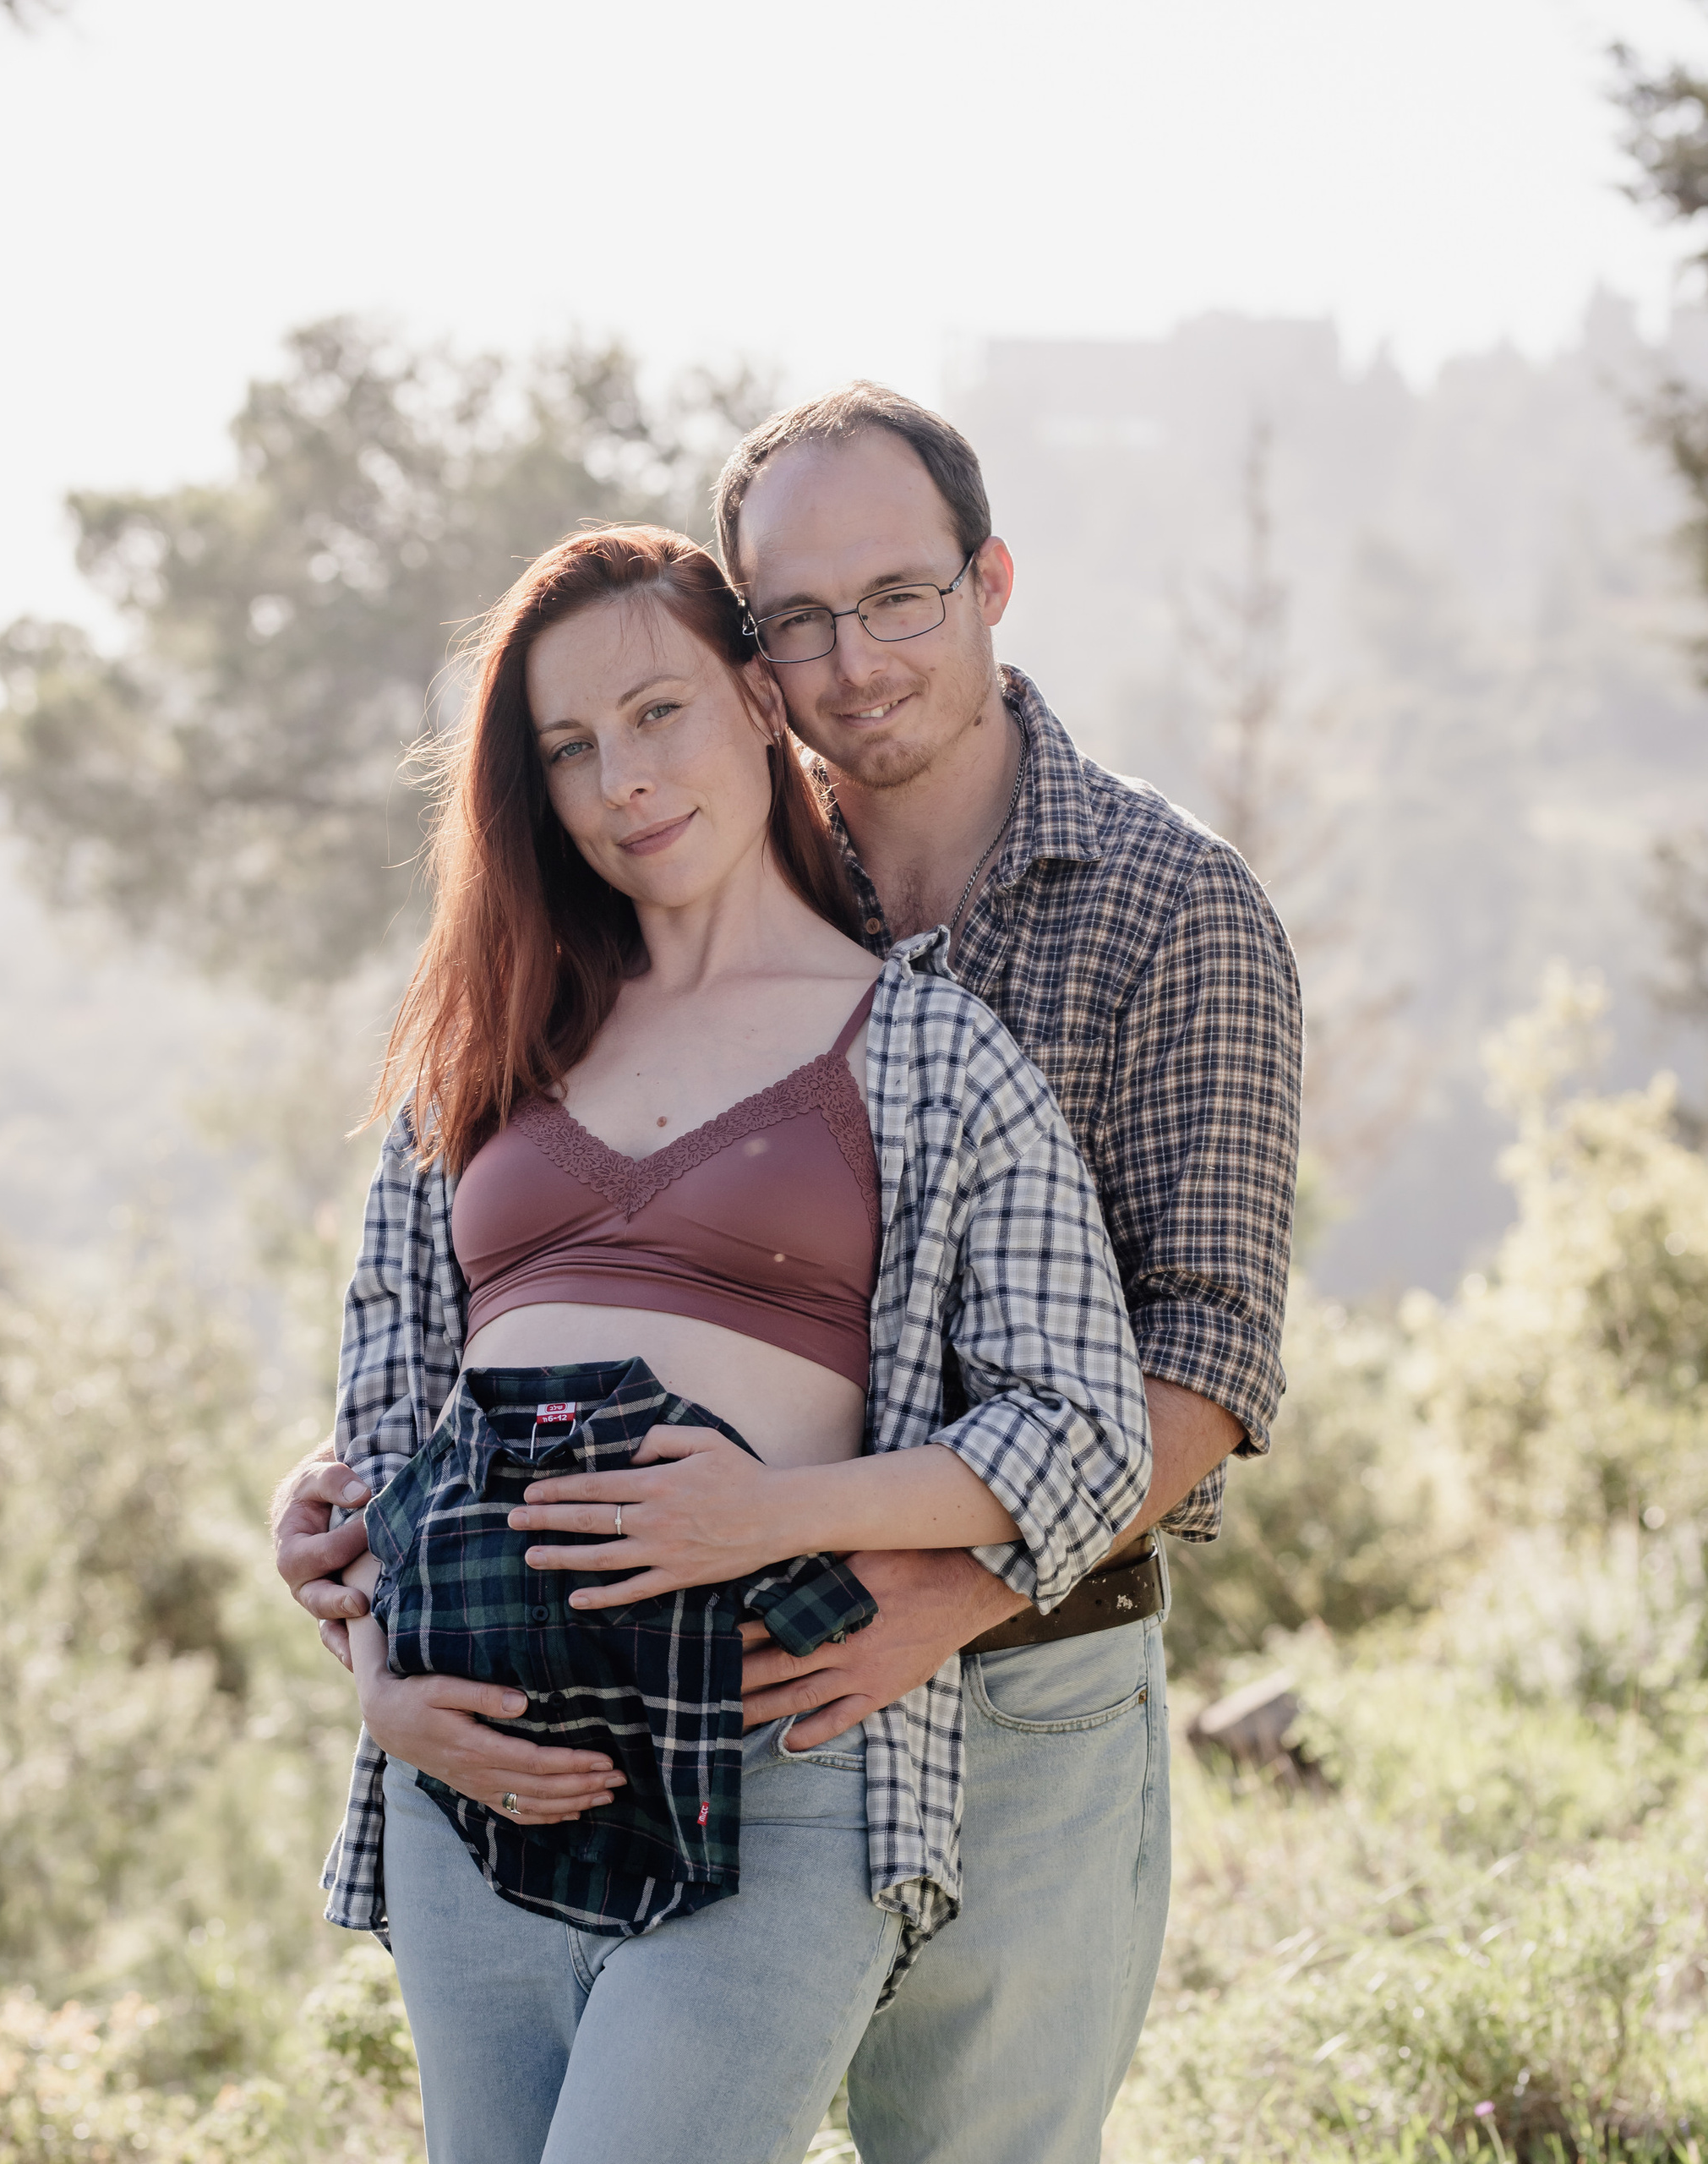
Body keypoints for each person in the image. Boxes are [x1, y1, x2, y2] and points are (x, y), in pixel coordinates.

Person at [308, 524, 1151, 2164]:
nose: (620, 776)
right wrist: (377, 1690)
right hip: (467, 1770)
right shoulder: (481, 1052)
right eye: (567, 746)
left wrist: (770, 1510)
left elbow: (1087, 1428)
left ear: (757, 703)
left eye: (655, 712)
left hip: (773, 1758)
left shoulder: (925, 1046)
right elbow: (377, 1439)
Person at [703, 386, 1305, 2164]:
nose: (851, 659)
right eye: (795, 619)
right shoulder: (712, 900)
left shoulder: (1170, 903)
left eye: (895, 596)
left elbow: (1203, 1350)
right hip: (725, 1666)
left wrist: (949, 1592)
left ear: (988, 583)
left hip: (1031, 1680)